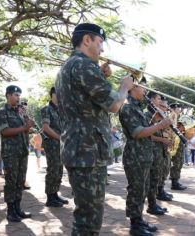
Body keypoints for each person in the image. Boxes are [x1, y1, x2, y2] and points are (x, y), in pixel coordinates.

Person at [55, 23, 134, 235]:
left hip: (81, 148)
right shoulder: (84, 66)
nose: (102, 49)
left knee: (87, 216)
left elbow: (85, 100)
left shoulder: (72, 66)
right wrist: (125, 86)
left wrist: (102, 77)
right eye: (100, 43)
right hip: (87, 151)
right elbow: (115, 105)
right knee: (88, 221)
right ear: (87, 40)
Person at [119, 77, 172, 236]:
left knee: (142, 189)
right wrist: (160, 125)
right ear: (132, 88)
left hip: (143, 155)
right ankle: (135, 225)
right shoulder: (128, 108)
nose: (145, 91)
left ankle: (139, 219)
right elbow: (137, 132)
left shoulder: (136, 107)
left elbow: (145, 129)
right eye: (143, 88)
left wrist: (154, 121)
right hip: (135, 156)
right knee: (136, 190)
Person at [0, 85, 35, 222]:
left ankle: (18, 208)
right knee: (11, 182)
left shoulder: (19, 112)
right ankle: (11, 211)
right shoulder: (1, 112)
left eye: (19, 95)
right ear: (8, 95)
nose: (19, 98)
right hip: (11, 153)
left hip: (22, 151)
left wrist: (28, 124)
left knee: (20, 181)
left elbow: (24, 131)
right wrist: (24, 127)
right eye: (16, 95)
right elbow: (4, 131)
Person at [41, 87, 68, 208]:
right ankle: (50, 197)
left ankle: (55, 194)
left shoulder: (61, 110)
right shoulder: (46, 109)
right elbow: (46, 128)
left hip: (60, 144)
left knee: (59, 169)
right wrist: (59, 137)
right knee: (53, 169)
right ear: (52, 94)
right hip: (52, 144)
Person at [145, 91, 170, 215]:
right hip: (151, 150)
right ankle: (151, 204)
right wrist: (162, 139)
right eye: (158, 99)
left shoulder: (156, 114)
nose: (160, 102)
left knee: (156, 178)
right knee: (152, 179)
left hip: (158, 151)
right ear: (152, 99)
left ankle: (153, 203)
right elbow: (146, 134)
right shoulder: (147, 114)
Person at [169, 122, 187, 190]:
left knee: (179, 165)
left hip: (180, 151)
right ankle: (174, 183)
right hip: (176, 152)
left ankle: (176, 181)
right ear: (180, 125)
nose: (184, 127)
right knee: (176, 166)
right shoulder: (175, 131)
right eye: (183, 126)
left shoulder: (181, 132)